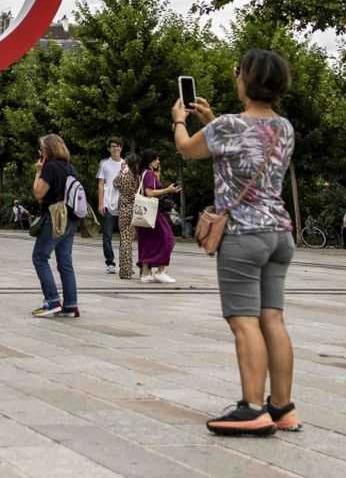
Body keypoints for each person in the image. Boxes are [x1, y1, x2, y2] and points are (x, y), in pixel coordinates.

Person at [174, 46, 300, 439]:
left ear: (248, 80)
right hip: (279, 233)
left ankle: (251, 408)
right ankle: (282, 408)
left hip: (244, 236)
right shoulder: (285, 127)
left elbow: (188, 149)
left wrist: (181, 121)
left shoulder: (227, 125)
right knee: (273, 319)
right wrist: (212, 120)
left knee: (243, 322)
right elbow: (250, 150)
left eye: (238, 71)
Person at [29, 133, 80, 319]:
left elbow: (38, 193)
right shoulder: (70, 167)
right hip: (72, 218)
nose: (40, 152)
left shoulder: (50, 167)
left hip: (55, 217)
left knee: (40, 257)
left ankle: (52, 301)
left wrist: (38, 171)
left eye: (41, 149)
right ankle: (71, 305)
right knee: (65, 262)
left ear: (48, 150)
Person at [135, 149, 180, 284]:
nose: (158, 162)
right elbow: (149, 193)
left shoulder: (143, 173)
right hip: (153, 212)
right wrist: (168, 190)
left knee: (147, 241)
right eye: (156, 159)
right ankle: (161, 271)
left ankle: (145, 273)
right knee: (168, 239)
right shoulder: (148, 173)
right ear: (150, 160)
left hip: (144, 212)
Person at [96, 139, 126, 273]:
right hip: (108, 202)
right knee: (107, 235)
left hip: (123, 202)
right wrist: (100, 203)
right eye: (113, 147)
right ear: (109, 149)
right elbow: (101, 184)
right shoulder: (104, 164)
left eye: (118, 146)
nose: (116, 149)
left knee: (124, 235)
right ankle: (110, 263)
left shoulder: (126, 164)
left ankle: (125, 262)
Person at [113, 145, 141, 280]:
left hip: (124, 209)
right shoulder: (138, 177)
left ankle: (125, 270)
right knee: (129, 240)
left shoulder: (124, 176)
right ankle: (128, 268)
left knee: (124, 240)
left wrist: (121, 170)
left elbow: (114, 183)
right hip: (135, 210)